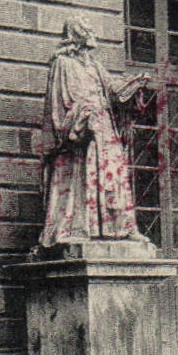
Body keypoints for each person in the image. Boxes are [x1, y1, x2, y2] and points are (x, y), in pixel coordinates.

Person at [35, 18, 151, 250]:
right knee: (82, 177)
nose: (92, 33)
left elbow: (113, 90)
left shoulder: (94, 65)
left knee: (113, 176)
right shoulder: (63, 63)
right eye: (86, 29)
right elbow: (62, 100)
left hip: (104, 127)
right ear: (75, 35)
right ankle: (78, 228)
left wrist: (134, 84)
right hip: (82, 132)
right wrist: (83, 118)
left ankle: (121, 227)